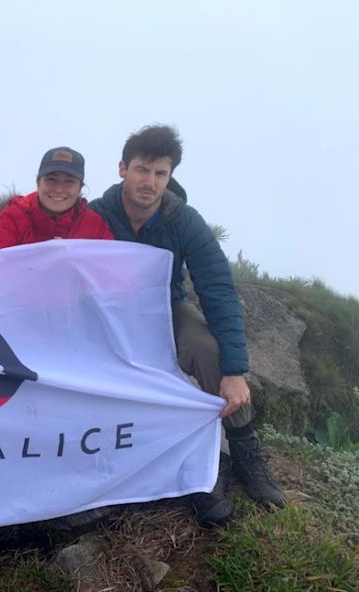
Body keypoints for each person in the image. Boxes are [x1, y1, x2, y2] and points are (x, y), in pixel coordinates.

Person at [89, 124, 284, 525]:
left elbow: (217, 288)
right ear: (122, 168)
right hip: (109, 315)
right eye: (142, 170)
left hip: (166, 308)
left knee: (207, 350)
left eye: (161, 173)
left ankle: (245, 450)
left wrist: (233, 371)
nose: (150, 182)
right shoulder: (96, 214)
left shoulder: (183, 219)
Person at [0, 146, 112, 251]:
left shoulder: (94, 224)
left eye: (69, 181)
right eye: (51, 180)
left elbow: (108, 269)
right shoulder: (14, 217)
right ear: (38, 182)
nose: (58, 189)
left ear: (80, 188)